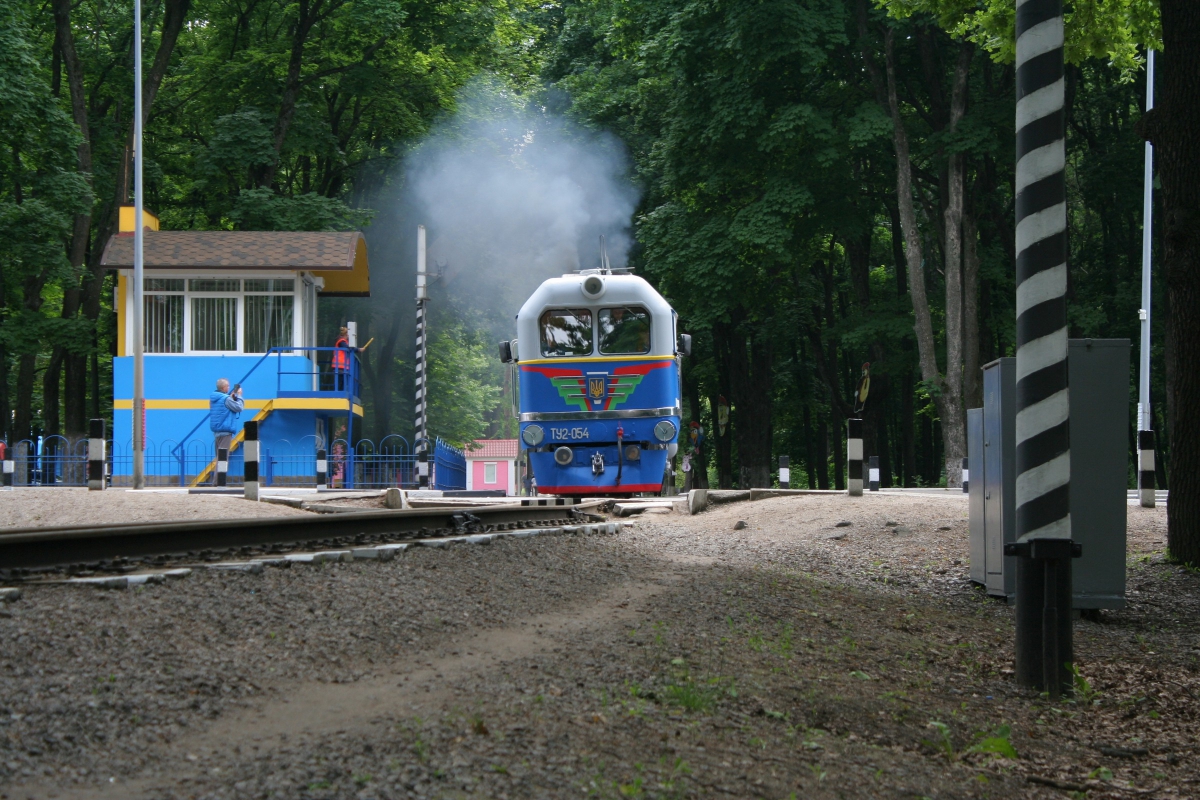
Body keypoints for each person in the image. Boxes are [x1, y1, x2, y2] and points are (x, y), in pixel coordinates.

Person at [209, 378, 244, 463]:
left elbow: (223, 409)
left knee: (219, 459)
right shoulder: (226, 399)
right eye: (228, 386)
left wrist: (231, 398)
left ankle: (217, 476)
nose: (229, 388)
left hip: (217, 432)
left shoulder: (214, 398)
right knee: (223, 461)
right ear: (224, 387)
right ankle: (218, 477)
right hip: (225, 432)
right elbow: (239, 407)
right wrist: (239, 396)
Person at [331, 326, 360, 392]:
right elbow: (348, 348)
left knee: (342, 383)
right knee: (339, 383)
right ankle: (338, 395)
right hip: (339, 366)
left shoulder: (342, 341)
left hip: (341, 366)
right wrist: (358, 349)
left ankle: (340, 393)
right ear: (347, 334)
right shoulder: (342, 341)